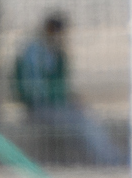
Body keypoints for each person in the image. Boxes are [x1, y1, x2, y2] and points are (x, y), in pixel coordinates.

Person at [12, 13, 123, 166]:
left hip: (54, 105)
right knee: (83, 121)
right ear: (51, 31)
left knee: (86, 115)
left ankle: (109, 157)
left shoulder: (54, 52)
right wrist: (65, 98)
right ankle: (109, 160)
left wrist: (70, 97)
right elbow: (35, 90)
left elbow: (58, 85)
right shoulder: (35, 52)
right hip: (39, 107)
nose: (63, 38)